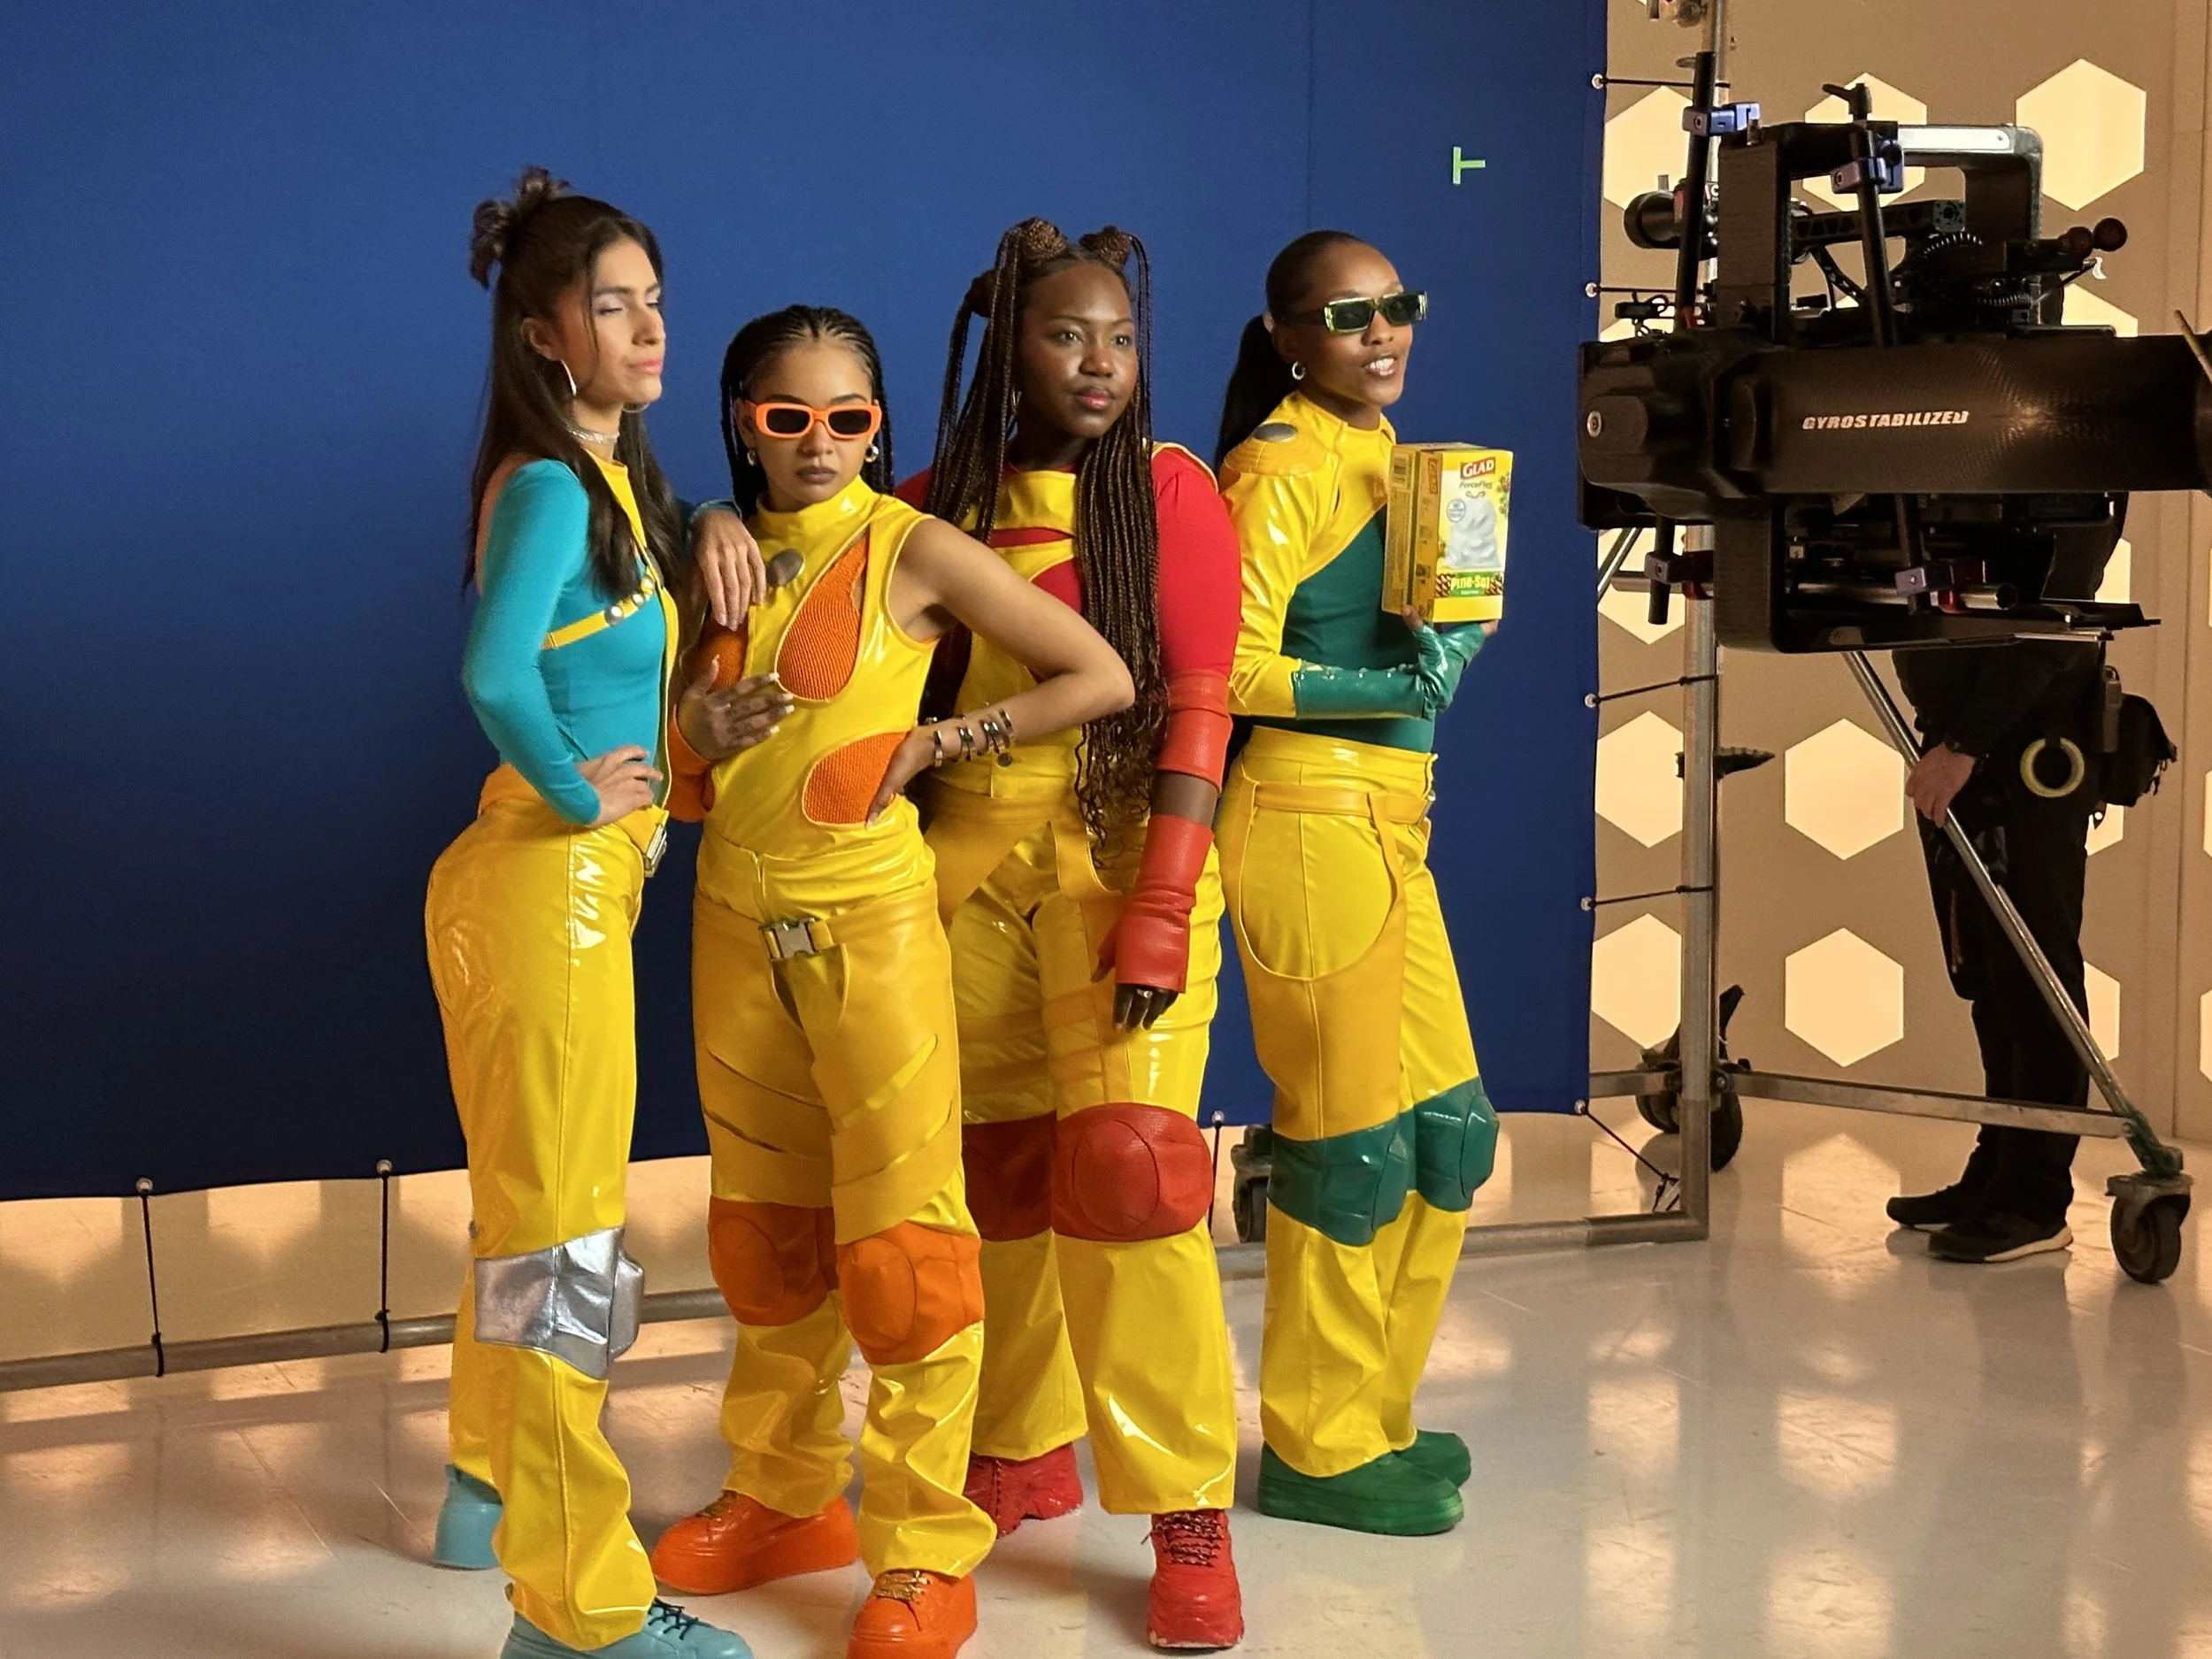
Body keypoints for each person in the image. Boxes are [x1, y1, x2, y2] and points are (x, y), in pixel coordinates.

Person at [647, 305, 1133, 1659]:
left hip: (871, 923)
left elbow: (1099, 673)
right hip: (736, 921)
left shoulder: (911, 546)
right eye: (785, 417)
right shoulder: (714, 555)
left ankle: (924, 1550)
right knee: (766, 1232)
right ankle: (784, 1490)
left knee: (908, 1251)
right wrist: (694, 706)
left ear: (881, 425)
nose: (816, 444)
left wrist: (933, 745)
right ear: (742, 415)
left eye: (846, 418)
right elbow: (664, 744)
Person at [423, 167, 784, 1659]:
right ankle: (578, 1611)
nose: (648, 327)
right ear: (545, 336)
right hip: (549, 889)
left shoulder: (607, 482)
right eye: (613, 304)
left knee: (530, 1226)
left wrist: (697, 521)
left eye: (654, 299)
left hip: (543, 892)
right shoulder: (558, 487)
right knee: (566, 1255)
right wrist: (590, 797)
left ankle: (481, 1489)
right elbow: (496, 677)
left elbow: (595, 625)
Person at [901, 219, 1245, 1650]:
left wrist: (1165, 898)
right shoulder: (932, 502)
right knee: (997, 1176)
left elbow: (1202, 702)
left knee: (1129, 1175)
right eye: (1066, 336)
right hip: (967, 870)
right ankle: (1018, 1443)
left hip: (1119, 868)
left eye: (1120, 336)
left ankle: (1185, 1507)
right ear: (1007, 350)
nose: (1099, 363)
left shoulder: (1167, 490)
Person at [1211, 230, 1498, 1538]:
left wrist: (1452, 639)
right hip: (1305, 818)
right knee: (1345, 1144)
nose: (1382, 332)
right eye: (1349, 313)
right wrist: (1390, 683)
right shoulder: (1274, 468)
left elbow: (1422, 645)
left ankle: (1376, 1407)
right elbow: (1225, 669)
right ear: (1287, 334)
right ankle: (1319, 1445)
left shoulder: (1391, 454)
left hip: (1393, 819)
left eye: (1400, 305)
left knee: (1450, 1130)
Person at [1884, 525, 2118, 1263]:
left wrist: (1965, 746)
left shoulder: (2081, 477)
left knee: (2035, 972)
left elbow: (2055, 633)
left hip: (2028, 750)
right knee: (1987, 972)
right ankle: (1998, 1165)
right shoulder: (1972, 476)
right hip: (1959, 746)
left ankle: (2037, 1195)